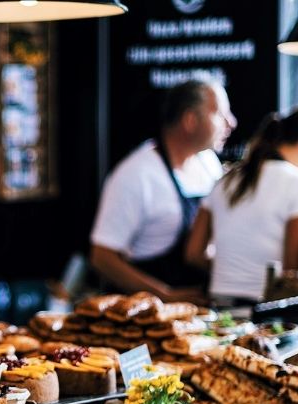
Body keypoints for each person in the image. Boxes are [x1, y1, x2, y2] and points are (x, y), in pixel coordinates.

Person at [90, 79, 237, 303]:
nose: (231, 123)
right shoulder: (136, 175)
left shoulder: (208, 163)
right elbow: (102, 258)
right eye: (219, 113)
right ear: (190, 120)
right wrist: (164, 296)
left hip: (200, 310)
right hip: (146, 315)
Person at [185, 107, 298, 305]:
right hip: (268, 309)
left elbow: (193, 254)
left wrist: (233, 272)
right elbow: (293, 268)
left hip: (219, 305)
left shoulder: (225, 180)